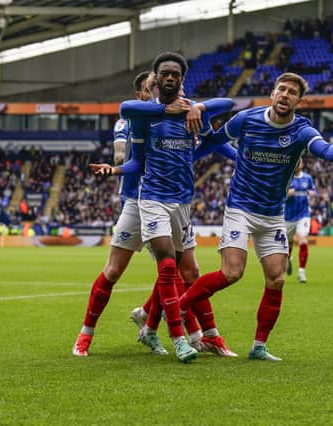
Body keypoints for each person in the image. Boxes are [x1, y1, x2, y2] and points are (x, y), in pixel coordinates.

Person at [178, 72, 333, 361]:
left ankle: (259, 346)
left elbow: (321, 147)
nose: (285, 95)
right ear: (273, 93)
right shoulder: (246, 119)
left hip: (273, 215)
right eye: (281, 89)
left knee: (276, 279)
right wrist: (189, 157)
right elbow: (215, 142)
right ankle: (179, 307)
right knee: (231, 273)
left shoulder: (302, 129)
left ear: (299, 102)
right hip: (240, 208)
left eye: (292, 92)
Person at [94, 52, 235, 363]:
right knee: (164, 268)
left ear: (183, 81)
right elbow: (128, 132)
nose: (171, 81)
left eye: (177, 77)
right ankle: (185, 337)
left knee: (189, 271)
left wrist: (198, 107)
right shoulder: (144, 116)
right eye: (162, 77)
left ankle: (151, 321)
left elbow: (222, 116)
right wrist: (116, 167)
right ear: (155, 83)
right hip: (145, 198)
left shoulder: (191, 115)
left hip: (182, 200)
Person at [72, 71, 154, 357]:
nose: (154, 94)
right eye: (149, 90)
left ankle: (149, 319)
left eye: (156, 89)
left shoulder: (172, 118)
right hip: (135, 200)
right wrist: (121, 157)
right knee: (114, 270)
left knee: (180, 272)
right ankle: (85, 334)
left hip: (167, 201)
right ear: (139, 95)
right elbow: (120, 154)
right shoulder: (126, 120)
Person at [284, 160, 317, 283]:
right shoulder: (286, 177)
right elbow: (279, 195)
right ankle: (288, 259)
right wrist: (287, 194)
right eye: (296, 161)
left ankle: (302, 272)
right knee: (288, 243)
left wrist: (312, 193)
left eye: (300, 162)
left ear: (302, 164)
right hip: (288, 216)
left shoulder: (308, 178)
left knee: (303, 240)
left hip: (304, 215)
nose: (298, 163)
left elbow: (314, 192)